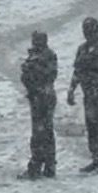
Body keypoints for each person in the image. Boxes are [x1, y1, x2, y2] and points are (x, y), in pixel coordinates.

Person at [68, 16, 98, 174]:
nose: (87, 33)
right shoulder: (82, 49)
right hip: (88, 92)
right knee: (91, 126)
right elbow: (78, 70)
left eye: (89, 30)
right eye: (85, 30)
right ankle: (96, 159)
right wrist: (72, 89)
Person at [20, 30, 58, 178]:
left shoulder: (46, 56)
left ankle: (38, 165)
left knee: (41, 132)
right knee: (44, 131)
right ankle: (47, 164)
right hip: (38, 96)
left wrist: (32, 71)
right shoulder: (35, 56)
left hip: (42, 97)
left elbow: (49, 75)